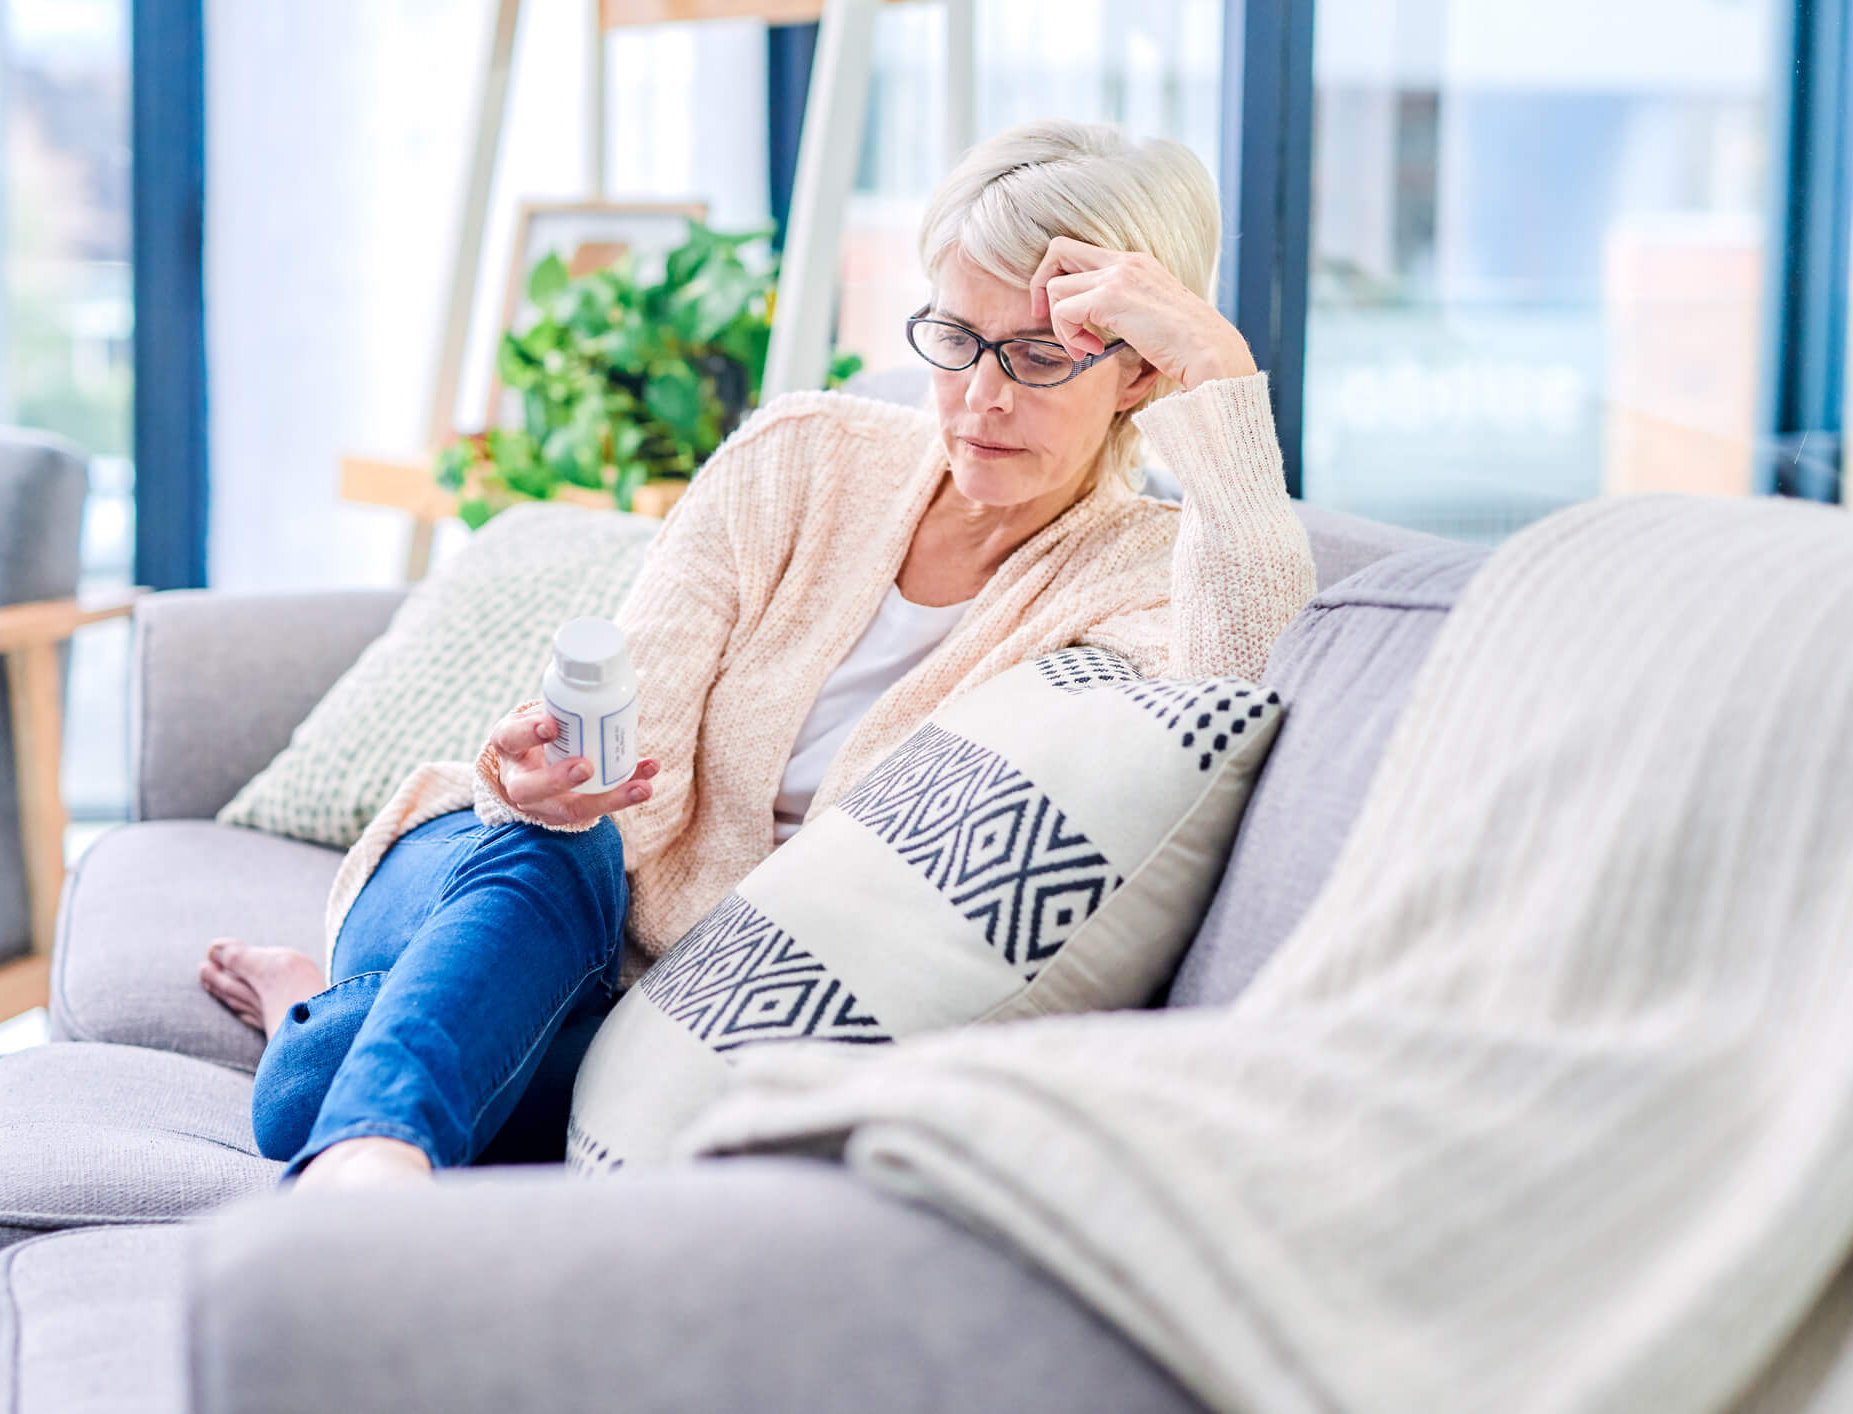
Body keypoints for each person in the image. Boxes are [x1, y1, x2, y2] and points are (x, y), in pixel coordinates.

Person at [200, 115, 1317, 1195]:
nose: (979, 397)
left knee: (311, 1094)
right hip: (516, 874)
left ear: (1137, 372)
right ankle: (372, 1161)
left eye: (1035, 356)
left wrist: (1220, 372)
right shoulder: (805, 454)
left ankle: (328, 1044)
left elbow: (1227, 710)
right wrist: (556, 786)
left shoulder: (1146, 572)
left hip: (688, 1015)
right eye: (958, 339)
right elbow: (628, 749)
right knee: (566, 854)